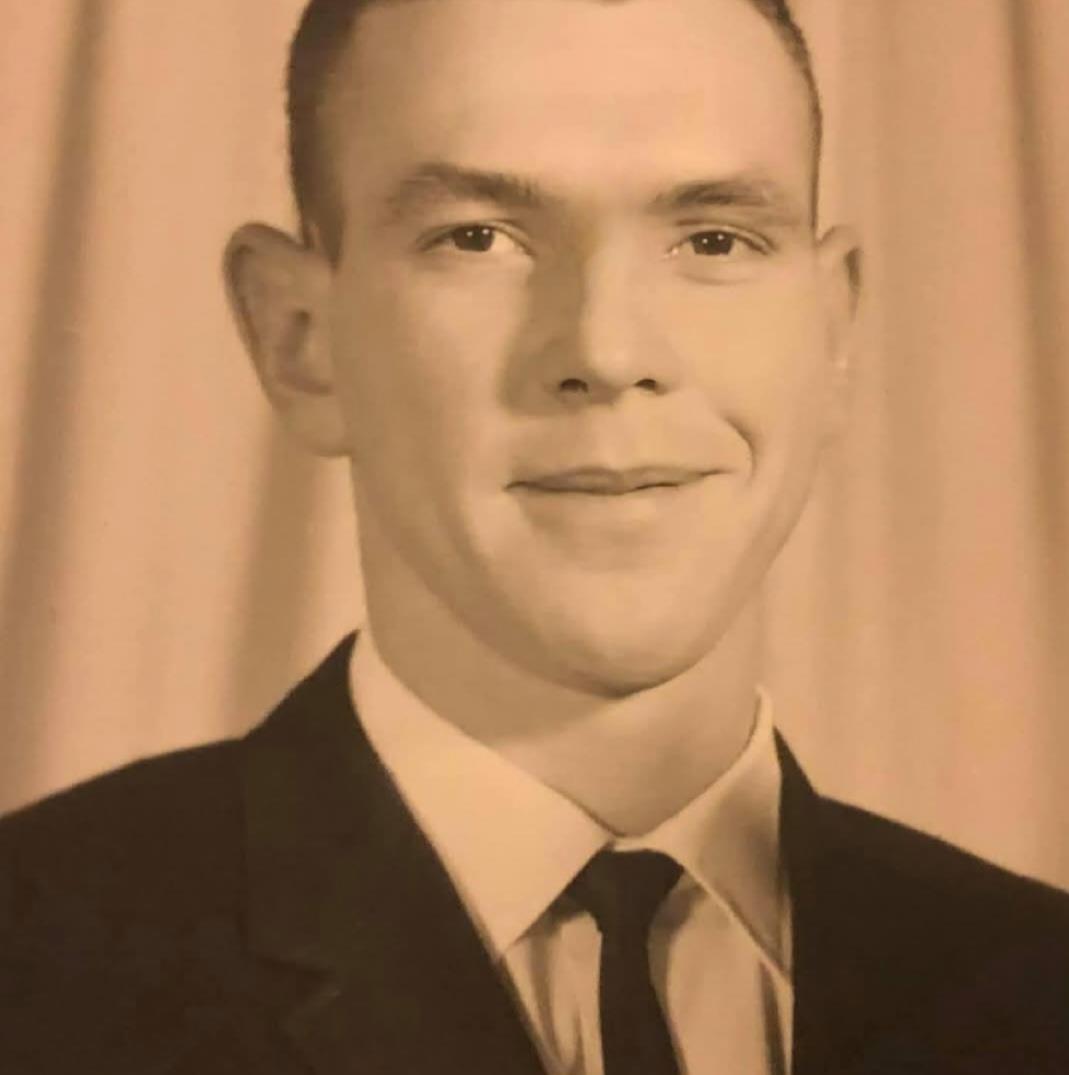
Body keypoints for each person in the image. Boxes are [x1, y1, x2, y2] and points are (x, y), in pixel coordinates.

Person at [3, 0, 1068, 1071]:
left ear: (830, 329)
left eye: (712, 237)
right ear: (300, 340)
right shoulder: (35, 968)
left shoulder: (1036, 984)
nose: (607, 350)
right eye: (477, 237)